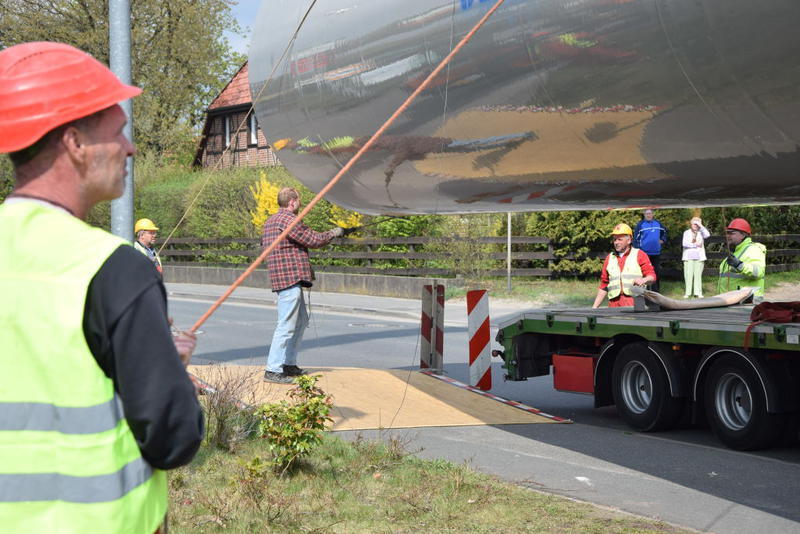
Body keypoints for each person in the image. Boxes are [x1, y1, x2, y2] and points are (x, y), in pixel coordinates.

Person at [0, 42, 203, 533]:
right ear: (75, 143)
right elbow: (172, 438)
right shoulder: (114, 269)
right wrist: (168, 369)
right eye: (118, 131)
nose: (130, 148)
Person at [262, 187, 344, 383]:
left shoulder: (270, 221)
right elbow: (313, 239)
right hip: (290, 278)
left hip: (283, 278)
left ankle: (289, 364)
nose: (300, 204)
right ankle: (273, 369)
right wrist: (334, 232)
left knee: (300, 322)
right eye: (299, 200)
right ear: (292, 201)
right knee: (286, 325)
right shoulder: (288, 220)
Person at [593, 223, 657, 308]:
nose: (616, 242)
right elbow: (604, 285)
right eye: (615, 239)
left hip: (635, 304)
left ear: (629, 240)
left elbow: (652, 277)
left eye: (620, 239)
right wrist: (594, 309)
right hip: (613, 306)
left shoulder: (640, 255)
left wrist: (644, 280)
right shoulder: (609, 258)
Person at [718, 217, 766, 300]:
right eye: (727, 233)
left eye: (731, 233)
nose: (728, 236)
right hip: (732, 300)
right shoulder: (736, 251)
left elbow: (758, 272)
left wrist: (739, 265)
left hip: (747, 301)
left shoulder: (753, 249)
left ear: (743, 235)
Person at [633, 208, 668, 292]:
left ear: (653, 214)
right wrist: (638, 251)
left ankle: (656, 292)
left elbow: (665, 232)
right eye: (647, 213)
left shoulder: (658, 224)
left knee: (656, 273)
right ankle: (645, 291)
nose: (648, 215)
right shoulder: (640, 225)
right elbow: (635, 239)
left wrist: (663, 240)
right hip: (644, 254)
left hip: (656, 253)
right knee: (644, 273)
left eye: (650, 213)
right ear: (644, 214)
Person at [681, 216, 710, 298]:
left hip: (699, 257)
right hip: (688, 257)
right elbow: (685, 244)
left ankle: (698, 293)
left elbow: (708, 235)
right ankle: (688, 293)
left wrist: (701, 226)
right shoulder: (686, 232)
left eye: (697, 224)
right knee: (688, 275)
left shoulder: (701, 232)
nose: (695, 225)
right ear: (691, 224)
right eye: (694, 223)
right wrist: (695, 245)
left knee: (698, 275)